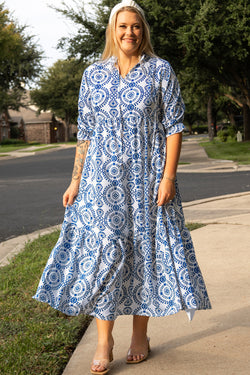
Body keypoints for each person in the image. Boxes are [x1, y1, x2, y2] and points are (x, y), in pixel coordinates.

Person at [33, 1, 211, 374]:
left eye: (136, 27)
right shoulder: (93, 75)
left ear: (143, 31)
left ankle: (139, 335)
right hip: (102, 182)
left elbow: (174, 126)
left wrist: (168, 178)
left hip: (148, 180)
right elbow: (86, 134)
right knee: (106, 256)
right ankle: (103, 339)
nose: (129, 33)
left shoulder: (160, 71)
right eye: (122, 26)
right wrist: (75, 180)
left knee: (145, 254)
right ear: (112, 31)